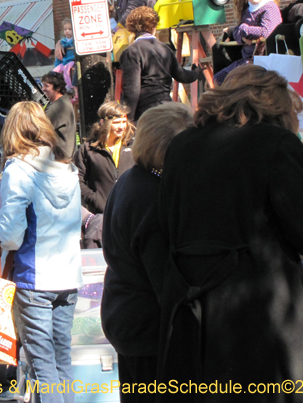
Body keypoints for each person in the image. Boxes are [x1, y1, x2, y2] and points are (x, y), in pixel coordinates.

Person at [158, 65, 303, 397]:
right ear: (277, 106)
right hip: (262, 307)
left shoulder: (180, 146)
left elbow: (166, 224)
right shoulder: (276, 143)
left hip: (193, 305)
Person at [101, 103, 193, 399]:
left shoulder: (134, 178)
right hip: (145, 326)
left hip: (127, 315)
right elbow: (165, 281)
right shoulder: (151, 194)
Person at [0, 101, 83, 403]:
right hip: (69, 275)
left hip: (36, 277)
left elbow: (10, 237)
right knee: (62, 361)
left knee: (43, 364)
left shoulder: (18, 170)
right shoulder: (68, 169)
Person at [120, 7, 201, 121]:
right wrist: (195, 72)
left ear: (132, 28)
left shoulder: (131, 52)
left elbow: (132, 89)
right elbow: (182, 76)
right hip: (165, 106)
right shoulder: (165, 49)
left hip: (146, 111)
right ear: (154, 27)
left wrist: (130, 119)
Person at [213, 0, 281, 86]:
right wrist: (242, 36)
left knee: (237, 83)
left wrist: (245, 30)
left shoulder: (269, 8)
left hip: (264, 60)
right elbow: (237, 31)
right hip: (247, 59)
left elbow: (267, 32)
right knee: (219, 79)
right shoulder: (247, 9)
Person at [74, 101, 134, 214]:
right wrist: (97, 200)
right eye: (116, 123)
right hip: (101, 214)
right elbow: (77, 180)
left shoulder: (133, 146)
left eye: (124, 122)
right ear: (103, 122)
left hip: (130, 212)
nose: (122, 127)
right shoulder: (88, 149)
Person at [41, 71, 76, 159]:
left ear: (58, 88)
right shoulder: (63, 101)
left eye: (47, 86)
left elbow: (40, 130)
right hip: (64, 157)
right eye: (43, 85)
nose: (43, 89)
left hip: (61, 158)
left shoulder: (58, 106)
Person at [53, 19, 76, 90]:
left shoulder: (74, 40)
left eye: (70, 29)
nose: (67, 31)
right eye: (65, 29)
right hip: (64, 61)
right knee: (55, 71)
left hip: (72, 60)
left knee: (66, 69)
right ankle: (57, 86)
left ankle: (69, 86)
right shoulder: (62, 41)